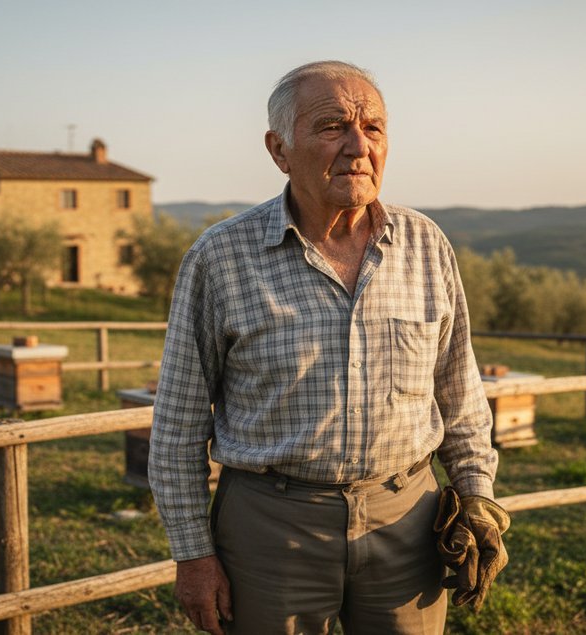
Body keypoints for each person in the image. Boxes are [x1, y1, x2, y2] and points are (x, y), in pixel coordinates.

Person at [149, 60, 508, 635]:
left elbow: (459, 392)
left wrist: (476, 495)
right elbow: (177, 426)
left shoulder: (425, 243)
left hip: (410, 521)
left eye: (373, 128)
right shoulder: (220, 257)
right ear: (279, 149)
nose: (357, 146)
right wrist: (193, 554)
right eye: (332, 126)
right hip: (270, 530)